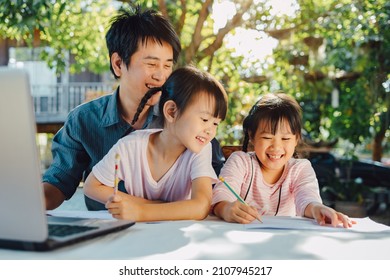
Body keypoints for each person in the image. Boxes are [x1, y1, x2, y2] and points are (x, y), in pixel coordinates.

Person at [42, 6, 224, 210]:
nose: (161, 76)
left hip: (171, 229)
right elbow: (57, 184)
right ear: (119, 64)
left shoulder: (183, 118)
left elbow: (217, 186)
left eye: (167, 65)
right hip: (104, 231)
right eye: (152, 64)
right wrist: (25, 200)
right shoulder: (83, 120)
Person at [83, 66, 228, 221]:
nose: (210, 131)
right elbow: (91, 187)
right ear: (171, 111)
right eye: (205, 120)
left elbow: (201, 206)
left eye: (215, 124)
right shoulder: (129, 146)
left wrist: (141, 211)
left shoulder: (201, 149)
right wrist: (149, 205)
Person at [211, 93, 355, 228]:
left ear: (296, 139)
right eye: (267, 138)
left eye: (285, 138)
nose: (276, 147)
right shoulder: (240, 162)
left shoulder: (300, 169)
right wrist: (226, 208)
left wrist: (318, 208)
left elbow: (307, 200)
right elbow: (221, 195)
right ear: (252, 136)